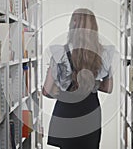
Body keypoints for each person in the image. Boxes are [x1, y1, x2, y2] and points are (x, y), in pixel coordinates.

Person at [42, 8, 115, 149]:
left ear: (72, 25)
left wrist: (63, 89)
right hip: (90, 113)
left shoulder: (60, 53)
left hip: (65, 113)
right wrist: (90, 83)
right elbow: (108, 88)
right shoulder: (103, 54)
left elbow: (46, 91)